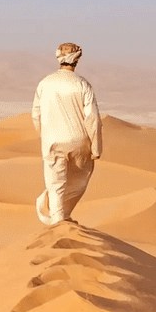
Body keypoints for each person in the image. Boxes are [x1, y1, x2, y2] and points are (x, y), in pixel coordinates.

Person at [32, 42, 102, 226]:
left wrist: (45, 132)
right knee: (78, 180)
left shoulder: (45, 83)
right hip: (80, 141)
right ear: (77, 59)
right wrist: (96, 147)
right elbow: (92, 118)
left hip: (52, 141)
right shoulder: (82, 84)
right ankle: (61, 220)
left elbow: (35, 114)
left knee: (55, 183)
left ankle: (57, 219)